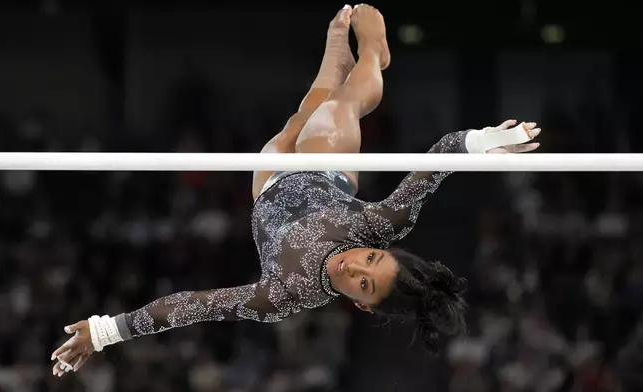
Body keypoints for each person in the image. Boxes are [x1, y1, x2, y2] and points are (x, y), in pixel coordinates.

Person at [51, 4, 541, 376]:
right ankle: (373, 53)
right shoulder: (380, 224)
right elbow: (437, 160)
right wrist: (482, 141)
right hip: (329, 168)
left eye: (362, 282)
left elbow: (193, 305)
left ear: (361, 303)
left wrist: (106, 331)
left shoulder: (285, 296)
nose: (355, 265)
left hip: (268, 185)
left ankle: (334, 56)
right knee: (334, 115)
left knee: (299, 120)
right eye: (371, 259)